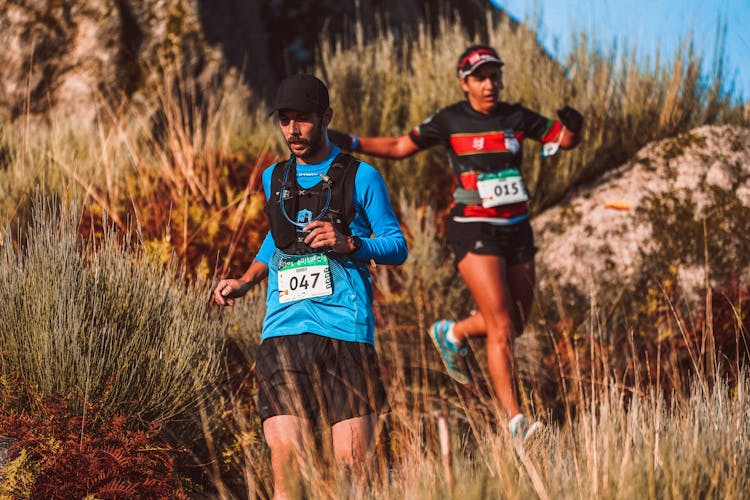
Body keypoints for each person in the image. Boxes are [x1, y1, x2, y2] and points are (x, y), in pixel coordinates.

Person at [328, 45, 583, 440]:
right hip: (473, 229)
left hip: (517, 230)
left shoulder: (516, 117)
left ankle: (454, 332)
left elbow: (563, 141)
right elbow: (399, 147)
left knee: (514, 323)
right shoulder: (450, 120)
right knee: (500, 328)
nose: (490, 84)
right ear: (464, 83)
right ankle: (516, 422)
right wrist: (350, 140)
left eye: (495, 76)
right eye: (481, 77)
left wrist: (574, 128)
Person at [213, 74, 407, 498]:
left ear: (326, 117)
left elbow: (397, 245)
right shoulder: (274, 177)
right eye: (284, 120)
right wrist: (246, 282)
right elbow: (276, 237)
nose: (293, 131)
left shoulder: (363, 176)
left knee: (353, 472)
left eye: (303, 120)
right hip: (283, 334)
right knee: (288, 466)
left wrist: (349, 242)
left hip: (346, 334)